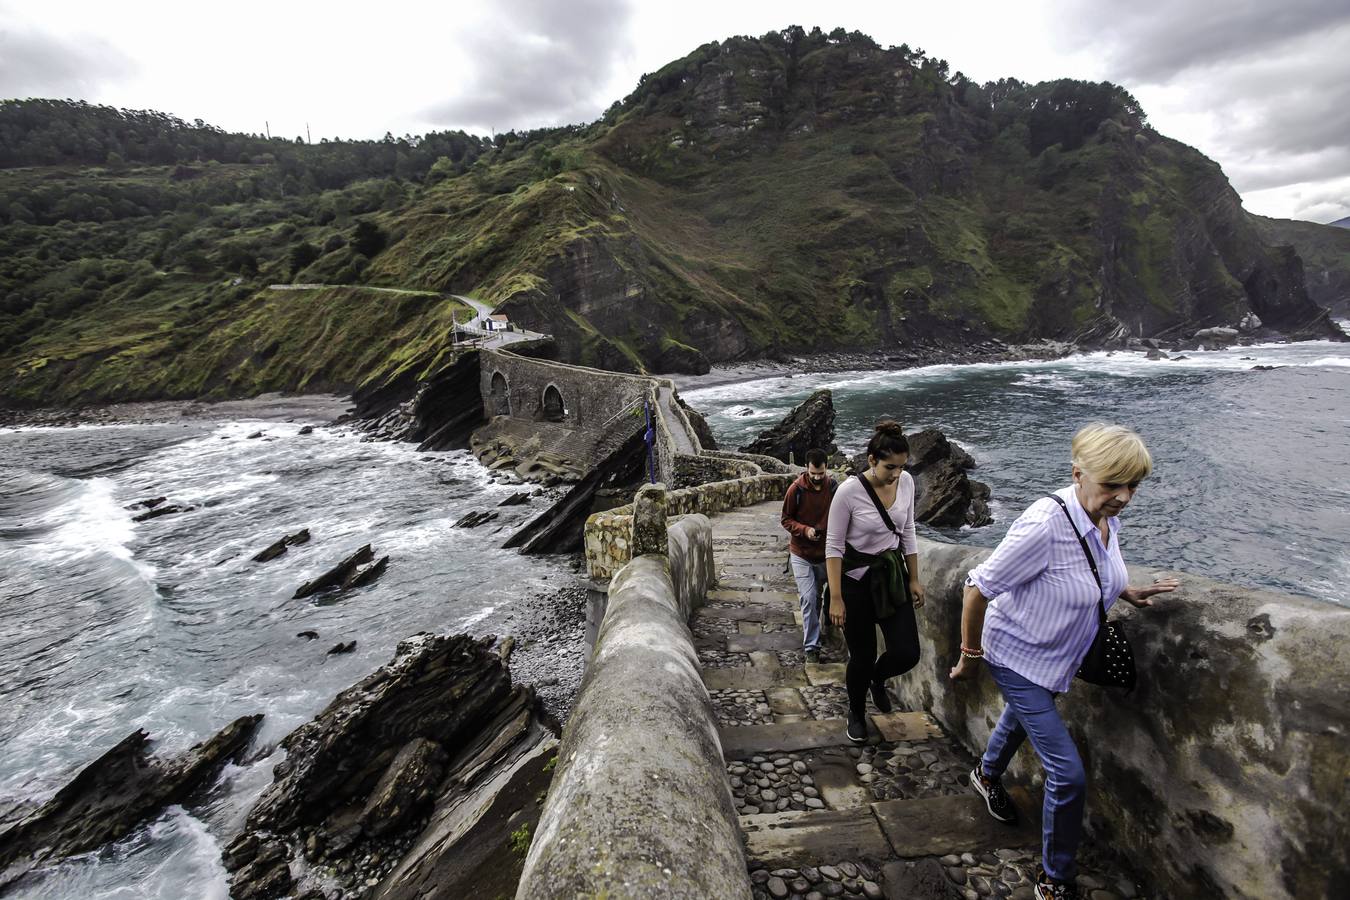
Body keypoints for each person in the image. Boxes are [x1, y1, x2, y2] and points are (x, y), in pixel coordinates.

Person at [949, 423, 1180, 900]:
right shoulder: (1044, 524)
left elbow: (1090, 573)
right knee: (1067, 773)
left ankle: (986, 773)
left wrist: (1127, 591)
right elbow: (977, 587)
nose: (1125, 497)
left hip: (1057, 652)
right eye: (1113, 484)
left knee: (1020, 719)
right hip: (1017, 655)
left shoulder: (1105, 518)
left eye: (1133, 485)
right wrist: (970, 656)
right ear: (1078, 474)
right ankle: (1055, 880)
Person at [825, 420, 926, 743]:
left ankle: (877, 680)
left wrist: (914, 578)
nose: (895, 474)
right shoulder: (848, 492)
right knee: (862, 655)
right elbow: (834, 546)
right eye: (889, 467)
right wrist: (836, 597)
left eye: (901, 467)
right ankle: (856, 711)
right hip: (855, 584)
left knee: (908, 652)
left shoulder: (906, 482)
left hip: (890, 577)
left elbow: (907, 530)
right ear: (871, 460)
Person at [780, 448, 837, 664]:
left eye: (821, 473)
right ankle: (812, 648)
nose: (817, 477)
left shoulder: (832, 487)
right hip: (801, 553)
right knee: (809, 596)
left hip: (825, 554)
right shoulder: (796, 490)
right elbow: (785, 519)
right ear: (806, 469)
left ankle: (816, 630)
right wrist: (805, 530)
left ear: (826, 469)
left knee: (818, 596)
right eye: (813, 473)